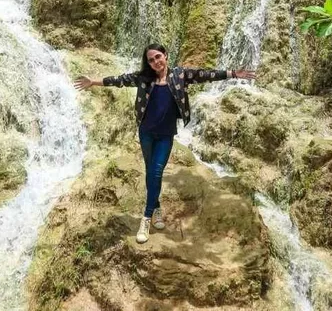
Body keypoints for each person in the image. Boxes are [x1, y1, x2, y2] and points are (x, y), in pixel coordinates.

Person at [74, 43, 256, 244]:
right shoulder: (144, 78)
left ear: (166, 56)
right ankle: (157, 208)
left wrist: (232, 73)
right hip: (146, 133)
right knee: (150, 171)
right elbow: (120, 80)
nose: (155, 62)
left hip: (166, 135)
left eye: (158, 57)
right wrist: (93, 82)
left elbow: (206, 75)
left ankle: (146, 218)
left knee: (157, 171)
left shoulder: (180, 75)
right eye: (151, 60)